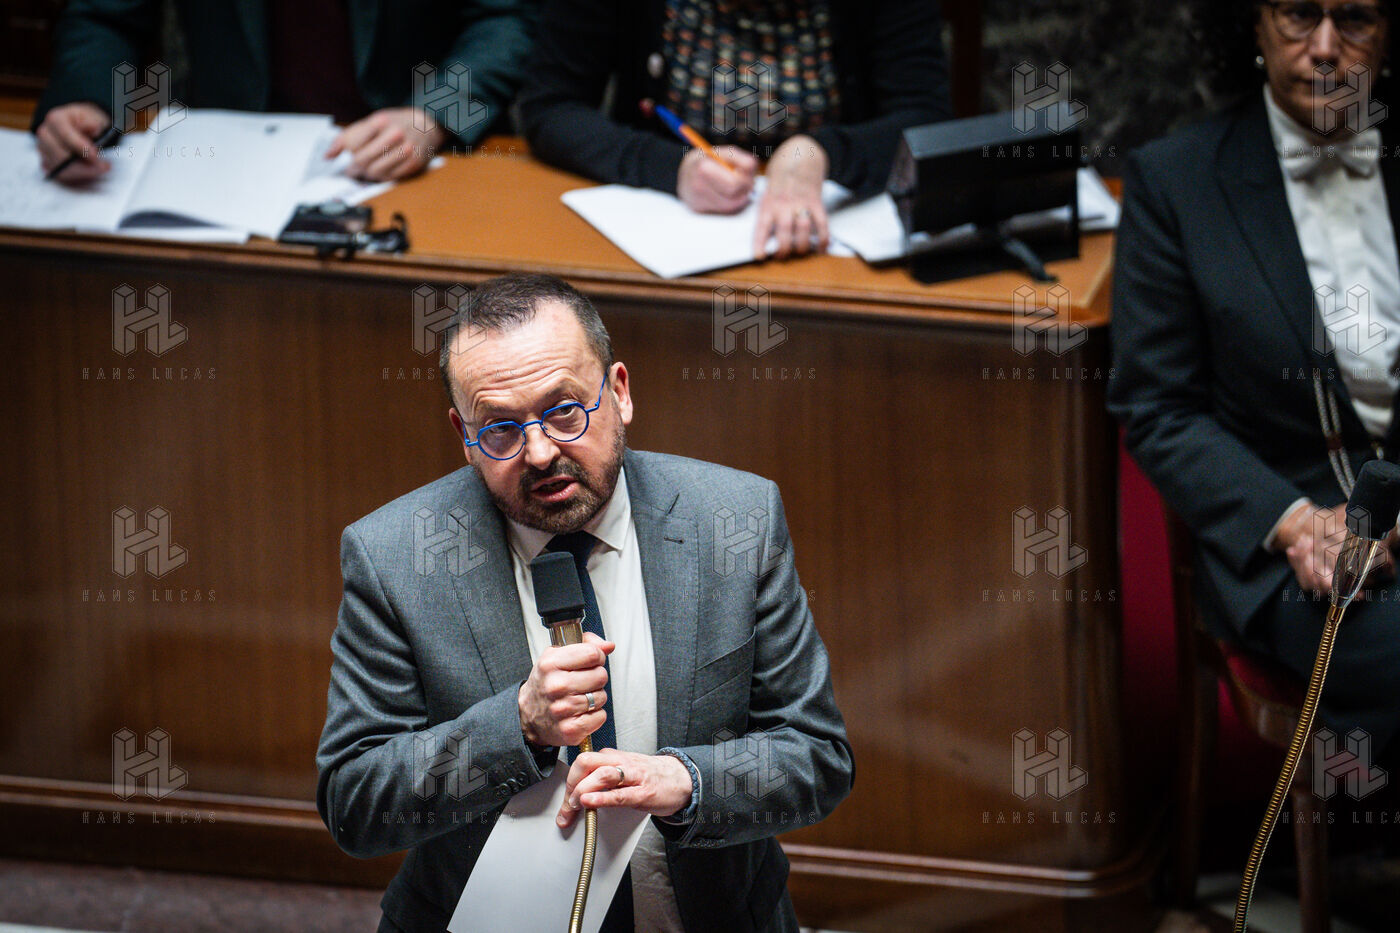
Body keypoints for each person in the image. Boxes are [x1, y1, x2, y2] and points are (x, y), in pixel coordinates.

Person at [316, 273, 853, 932]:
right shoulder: (395, 556)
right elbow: (354, 804)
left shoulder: (736, 521)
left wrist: (687, 781)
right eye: (500, 429)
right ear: (463, 433)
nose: (541, 452)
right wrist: (517, 727)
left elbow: (817, 758)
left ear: (619, 392)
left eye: (565, 410)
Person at [1110, 0, 1400, 755]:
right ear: (1255, 25)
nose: (1326, 48)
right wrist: (1299, 523)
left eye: (1356, 19)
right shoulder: (1177, 181)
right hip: (1289, 533)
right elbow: (1159, 407)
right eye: (1300, 15)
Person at [519, 0, 949, 260]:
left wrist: (824, 153)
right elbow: (550, 106)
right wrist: (671, 167)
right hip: (664, 237)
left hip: (832, 244)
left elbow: (925, 115)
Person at [33, 0, 537, 184]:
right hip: (230, 161)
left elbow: (506, 20)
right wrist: (84, 99)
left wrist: (434, 115)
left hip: (419, 161)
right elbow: (103, 16)